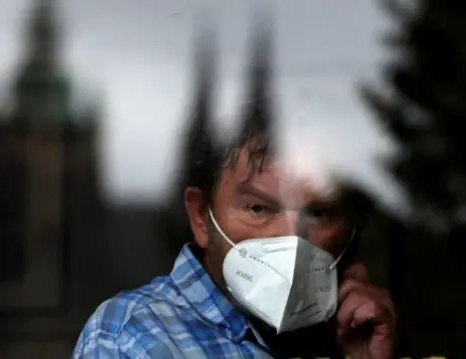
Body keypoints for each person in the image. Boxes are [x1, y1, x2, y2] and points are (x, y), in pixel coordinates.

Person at [72, 17, 396, 359]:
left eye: (318, 213)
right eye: (258, 208)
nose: (291, 237)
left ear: (351, 227)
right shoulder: (132, 338)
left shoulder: (351, 331)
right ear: (201, 218)